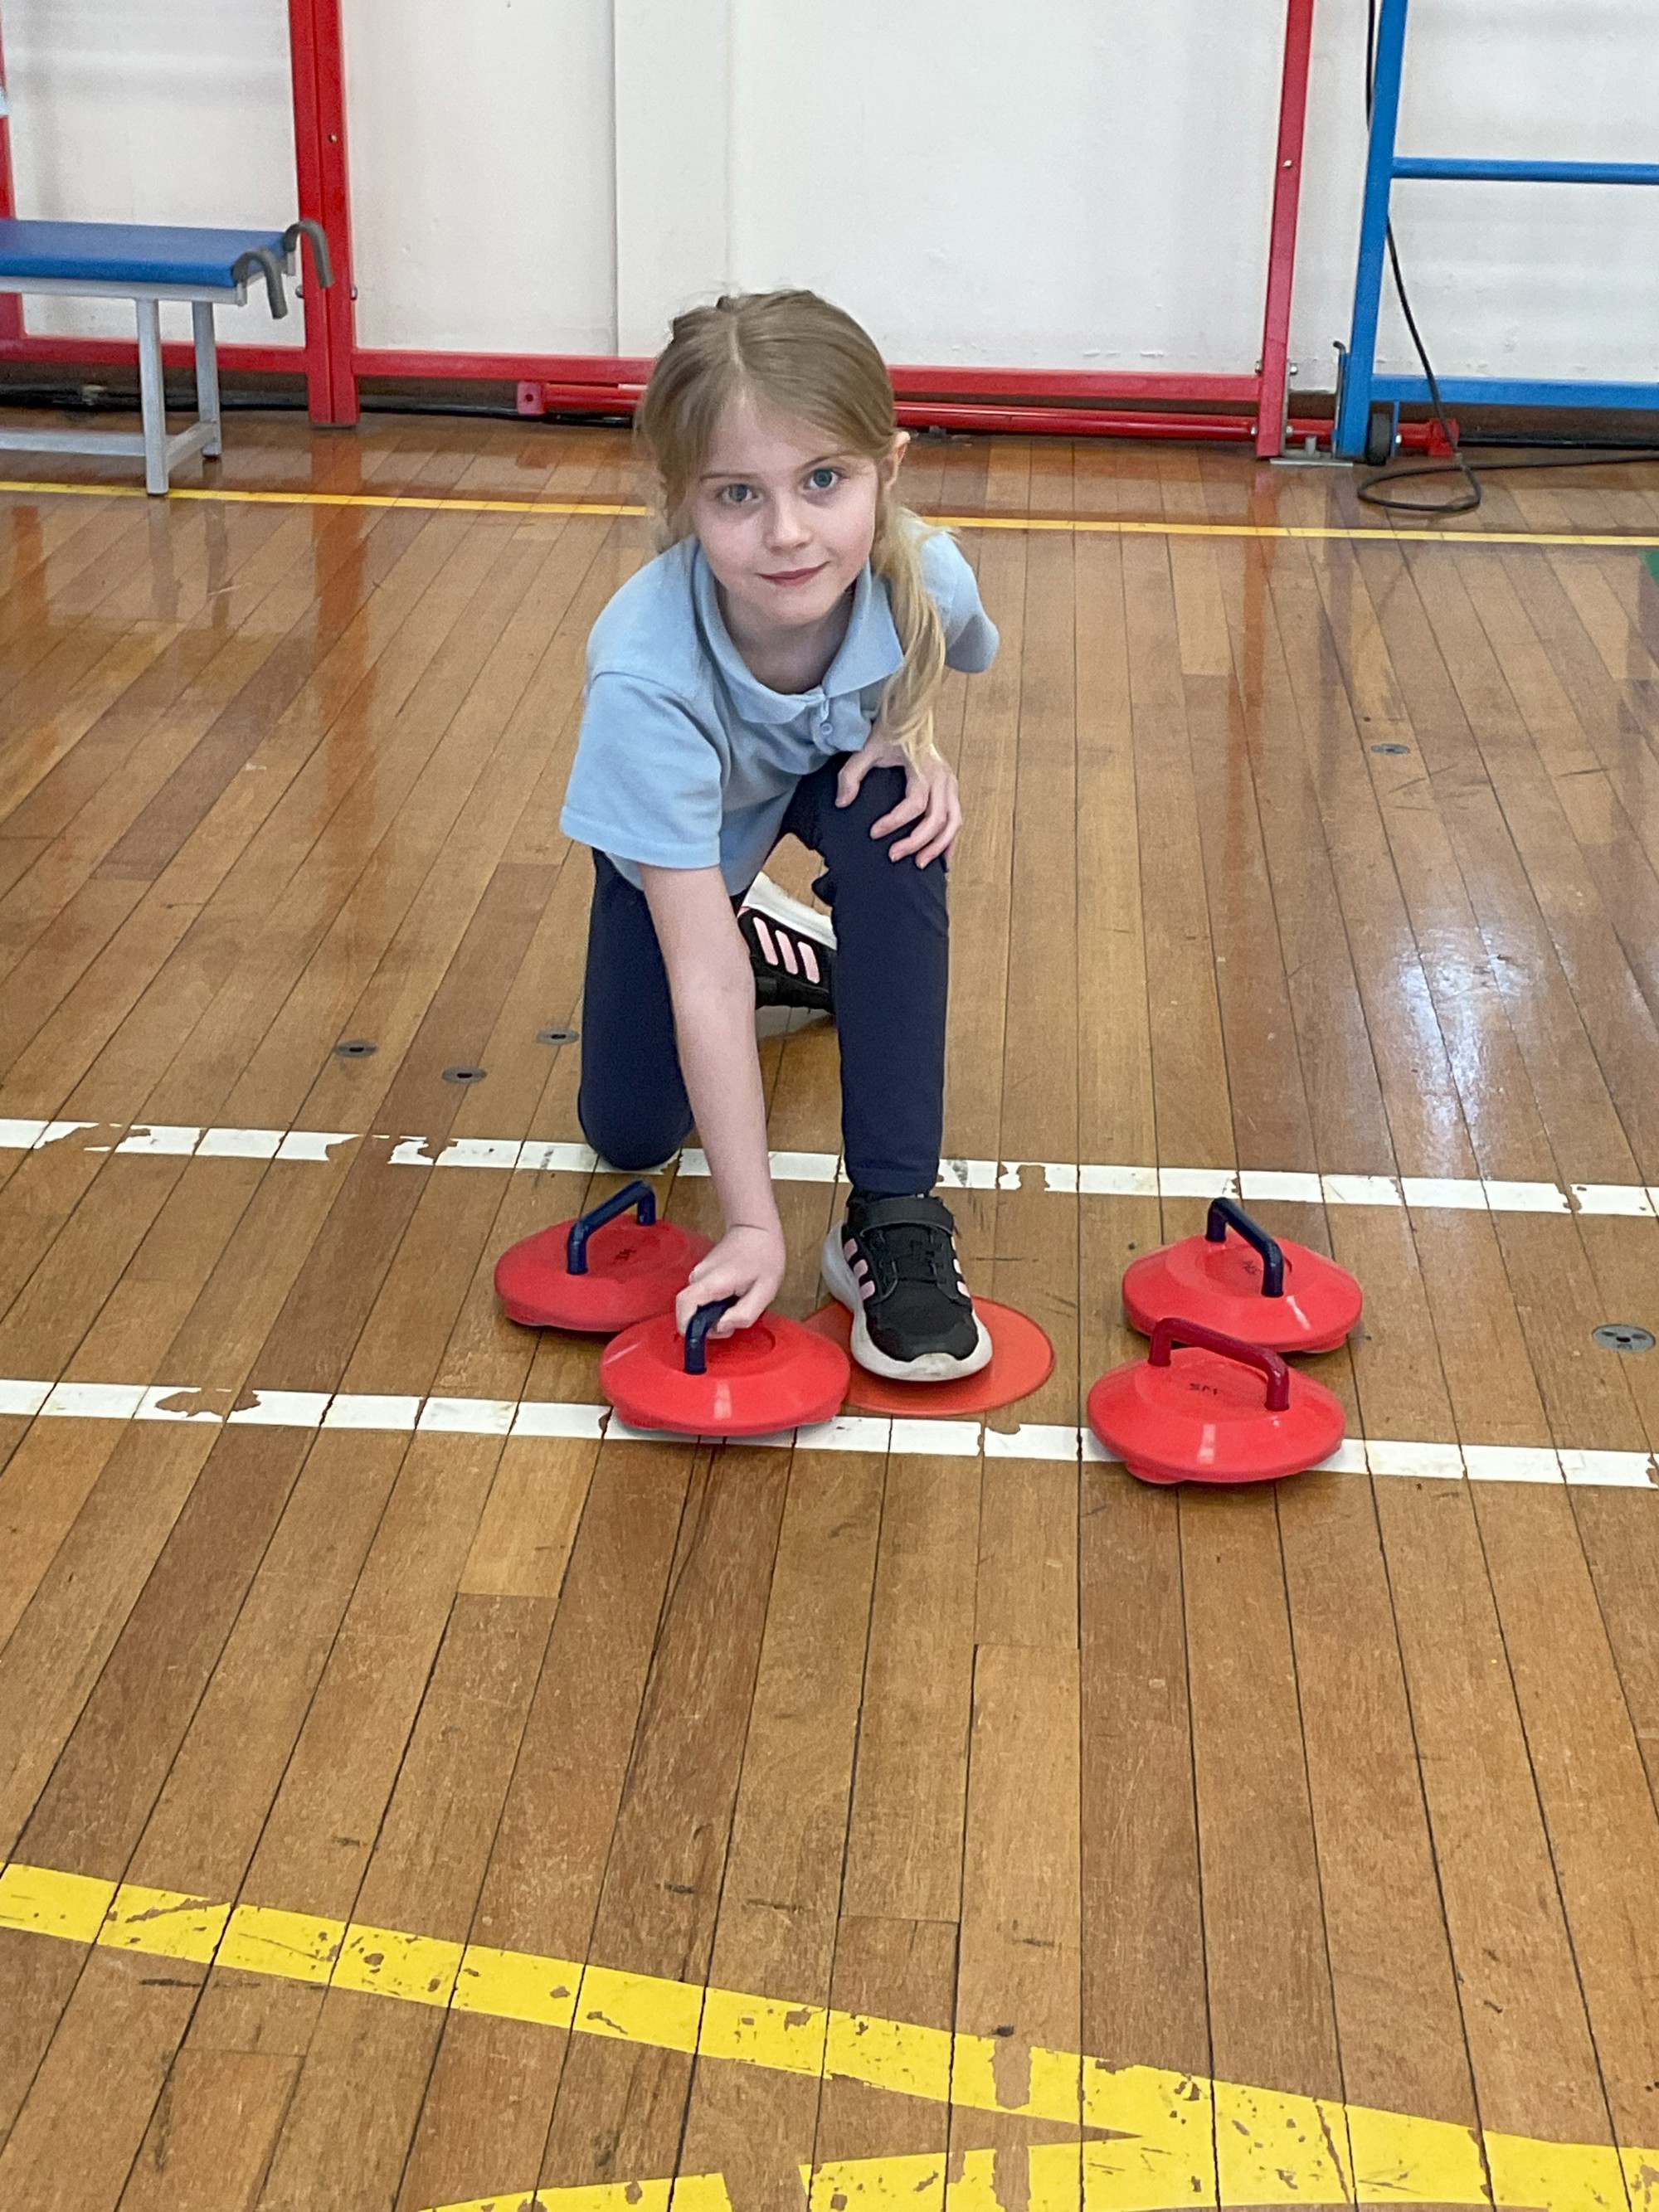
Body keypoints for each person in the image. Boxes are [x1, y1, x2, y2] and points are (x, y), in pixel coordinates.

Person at [560, 289, 999, 1380]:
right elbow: (699, 980)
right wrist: (749, 1225)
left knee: (899, 827)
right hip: (686, 855)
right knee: (631, 1132)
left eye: (823, 481)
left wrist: (916, 742)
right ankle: (763, 934)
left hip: (821, 782)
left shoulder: (924, 576)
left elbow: (945, 658)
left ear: (886, 470)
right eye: (739, 495)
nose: (789, 531)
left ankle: (894, 1213)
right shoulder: (644, 676)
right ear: (682, 501)